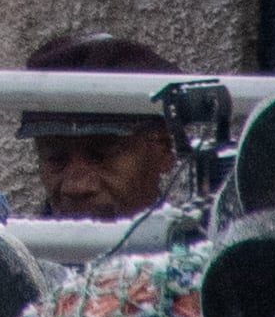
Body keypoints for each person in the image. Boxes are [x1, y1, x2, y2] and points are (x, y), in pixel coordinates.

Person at [20, 29, 179, 219]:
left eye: (102, 156)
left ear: (163, 149)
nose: (77, 186)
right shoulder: (16, 245)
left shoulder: (202, 247)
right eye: (55, 158)